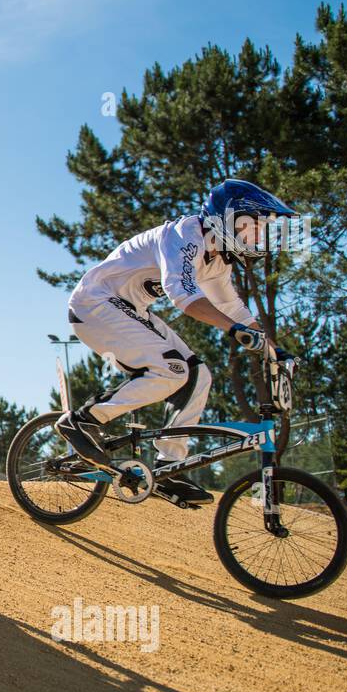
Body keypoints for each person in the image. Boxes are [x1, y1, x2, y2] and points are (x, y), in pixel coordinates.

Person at [54, 179, 296, 506]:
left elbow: (233, 309)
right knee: (172, 369)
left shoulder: (217, 262)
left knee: (198, 375)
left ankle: (170, 465)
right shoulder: (184, 236)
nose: (258, 236)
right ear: (228, 219)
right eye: (253, 227)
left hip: (127, 310)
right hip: (93, 304)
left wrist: (273, 350)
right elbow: (183, 296)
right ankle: (84, 420)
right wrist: (234, 330)